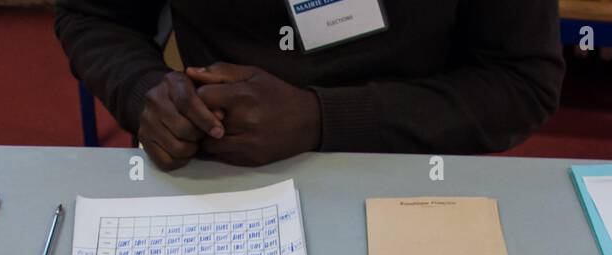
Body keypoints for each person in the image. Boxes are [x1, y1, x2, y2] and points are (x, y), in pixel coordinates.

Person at [55, 1, 565, 171]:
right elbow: (96, 16)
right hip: (218, 167)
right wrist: (145, 89)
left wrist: (322, 119)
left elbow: (522, 80)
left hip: (414, 165)